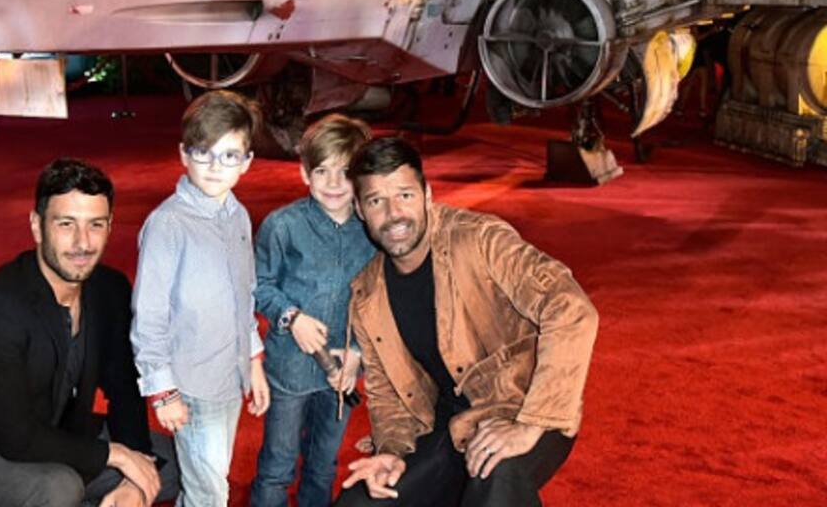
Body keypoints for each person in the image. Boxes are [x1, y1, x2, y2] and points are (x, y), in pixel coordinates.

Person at [334, 138, 598, 507]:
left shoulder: (479, 239)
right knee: (361, 503)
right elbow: (388, 396)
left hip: (523, 402)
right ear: (360, 210)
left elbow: (571, 308)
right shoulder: (367, 294)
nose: (394, 214)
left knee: (495, 478)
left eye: (405, 195)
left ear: (427, 195)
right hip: (448, 424)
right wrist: (391, 450)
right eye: (376, 201)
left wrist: (531, 424)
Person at [0, 158, 179, 507]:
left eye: (95, 225)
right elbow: (17, 437)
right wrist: (118, 456)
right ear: (37, 226)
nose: (82, 243)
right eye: (66, 224)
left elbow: (124, 390)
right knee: (58, 487)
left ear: (110, 226)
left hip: (61, 432)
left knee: (176, 461)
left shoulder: (109, 289)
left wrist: (135, 479)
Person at [131, 90, 271, 506]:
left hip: (229, 376)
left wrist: (253, 360)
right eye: (203, 152)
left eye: (229, 155)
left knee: (207, 482)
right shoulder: (167, 225)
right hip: (190, 384)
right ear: (183, 155)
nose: (214, 166)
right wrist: (164, 392)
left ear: (246, 162)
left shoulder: (238, 215)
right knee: (209, 492)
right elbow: (149, 316)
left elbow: (243, 298)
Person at [250, 114, 375, 507]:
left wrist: (359, 354)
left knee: (323, 465)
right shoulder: (282, 226)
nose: (334, 183)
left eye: (345, 171)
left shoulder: (372, 230)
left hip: (343, 374)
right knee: (277, 466)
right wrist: (292, 317)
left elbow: (378, 301)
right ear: (305, 173)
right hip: (289, 368)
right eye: (322, 171)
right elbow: (258, 285)